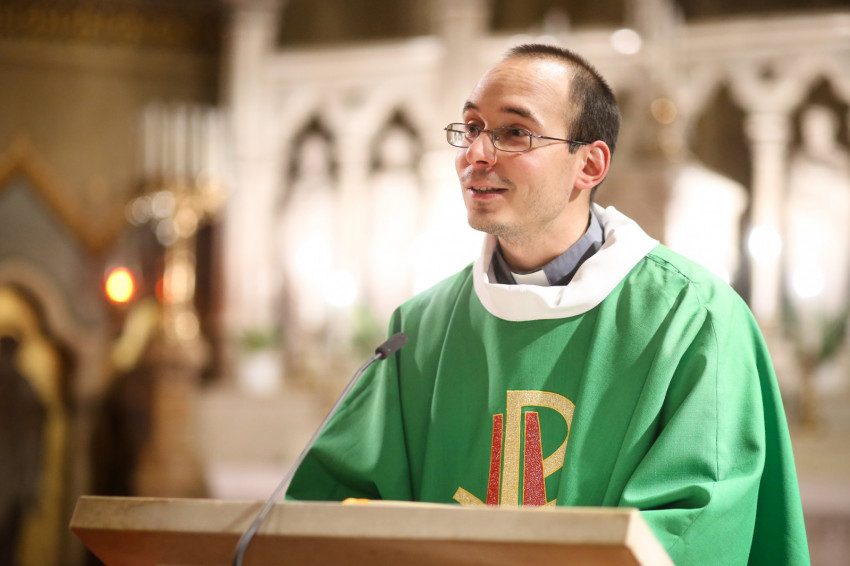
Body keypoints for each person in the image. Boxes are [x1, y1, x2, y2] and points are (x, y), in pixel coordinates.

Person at [286, 44, 810, 565]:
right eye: (471, 128)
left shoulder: (694, 318)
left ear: (589, 164)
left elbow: (694, 532)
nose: (476, 153)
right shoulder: (420, 329)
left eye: (515, 132)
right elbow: (331, 510)